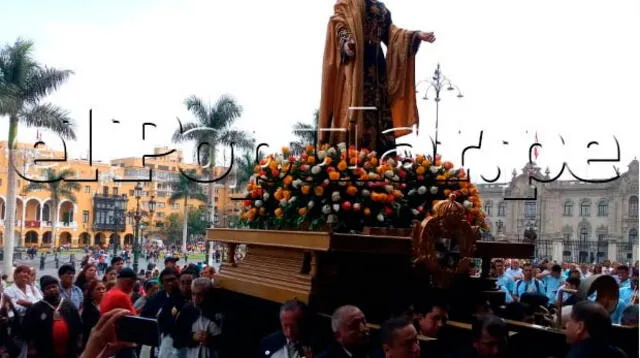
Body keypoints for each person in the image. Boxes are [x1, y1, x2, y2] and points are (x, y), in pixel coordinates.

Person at [318, 0, 435, 154]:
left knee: (379, 109)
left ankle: (380, 158)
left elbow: (392, 35)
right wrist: (346, 42)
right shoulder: (348, 3)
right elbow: (339, 23)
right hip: (356, 65)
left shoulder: (382, 8)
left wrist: (415, 35)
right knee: (353, 108)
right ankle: (352, 154)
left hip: (378, 68)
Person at [22, 275, 82, 358]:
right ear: (43, 291)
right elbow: (29, 329)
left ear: (59, 288)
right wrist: (31, 347)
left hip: (68, 349)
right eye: (48, 288)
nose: (52, 290)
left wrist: (78, 342)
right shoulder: (36, 308)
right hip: (45, 350)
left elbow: (77, 325)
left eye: (54, 287)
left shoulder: (69, 305)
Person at [174, 277, 223, 358]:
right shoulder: (187, 310)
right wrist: (192, 337)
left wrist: (209, 340)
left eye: (200, 295)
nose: (196, 299)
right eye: (193, 294)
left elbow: (227, 342)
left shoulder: (218, 312)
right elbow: (177, 339)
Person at [81, 280, 106, 349]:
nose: (102, 291)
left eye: (103, 289)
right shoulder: (89, 309)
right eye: (98, 289)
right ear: (91, 292)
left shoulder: (105, 306)